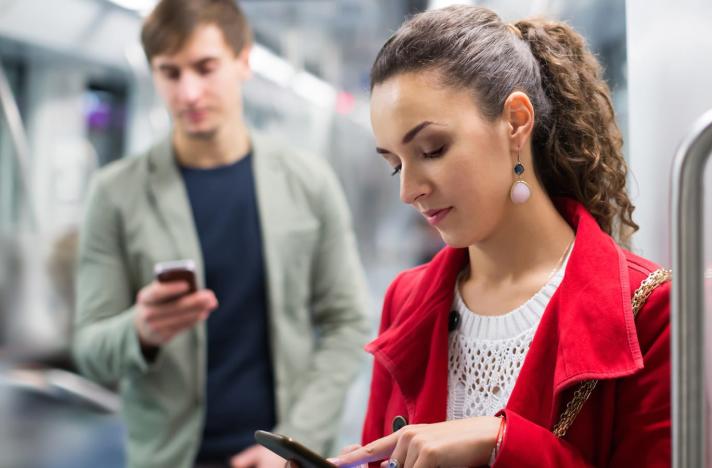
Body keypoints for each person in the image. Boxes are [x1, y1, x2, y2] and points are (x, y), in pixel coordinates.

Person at [331, 5, 671, 468]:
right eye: (395, 165)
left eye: (432, 149)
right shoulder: (405, 300)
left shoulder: (650, 310)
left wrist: (501, 443)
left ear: (515, 121)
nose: (409, 191)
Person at [72, 1, 369, 467]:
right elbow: (90, 350)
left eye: (205, 68)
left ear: (243, 61)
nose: (189, 92)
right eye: (170, 73)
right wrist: (141, 331)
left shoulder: (308, 182)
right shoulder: (116, 194)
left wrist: (294, 441)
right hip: (168, 456)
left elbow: (347, 323)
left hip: (281, 457)